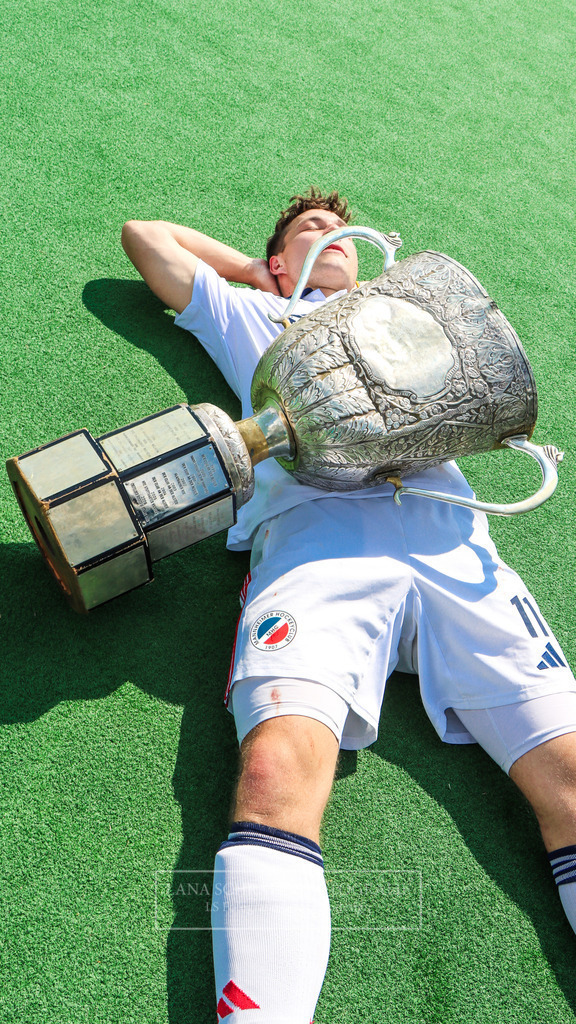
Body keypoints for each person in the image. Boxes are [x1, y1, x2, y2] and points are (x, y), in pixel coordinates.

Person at [122, 189, 576, 1023]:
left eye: (340, 232)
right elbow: (146, 240)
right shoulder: (267, 317)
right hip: (317, 547)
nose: (331, 237)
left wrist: (314, 260)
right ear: (280, 259)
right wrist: (261, 271)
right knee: (273, 772)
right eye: (309, 231)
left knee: (575, 781)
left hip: (453, 549)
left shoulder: (412, 315)